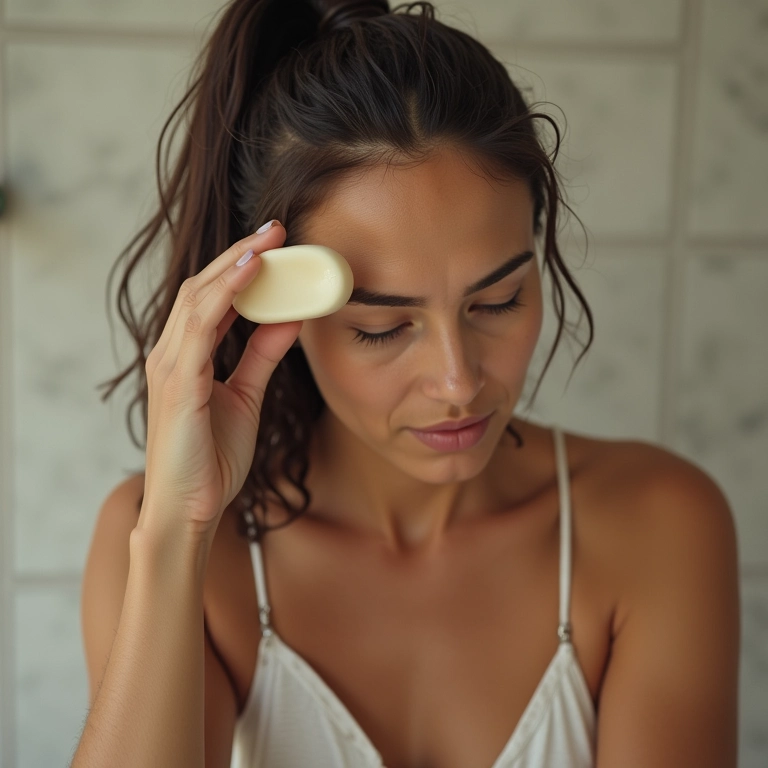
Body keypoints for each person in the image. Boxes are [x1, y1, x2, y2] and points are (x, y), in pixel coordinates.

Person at [73, 1, 740, 767]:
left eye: (498, 302)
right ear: (272, 307)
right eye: (382, 329)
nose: (458, 382)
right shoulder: (175, 545)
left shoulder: (656, 525)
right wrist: (177, 532)